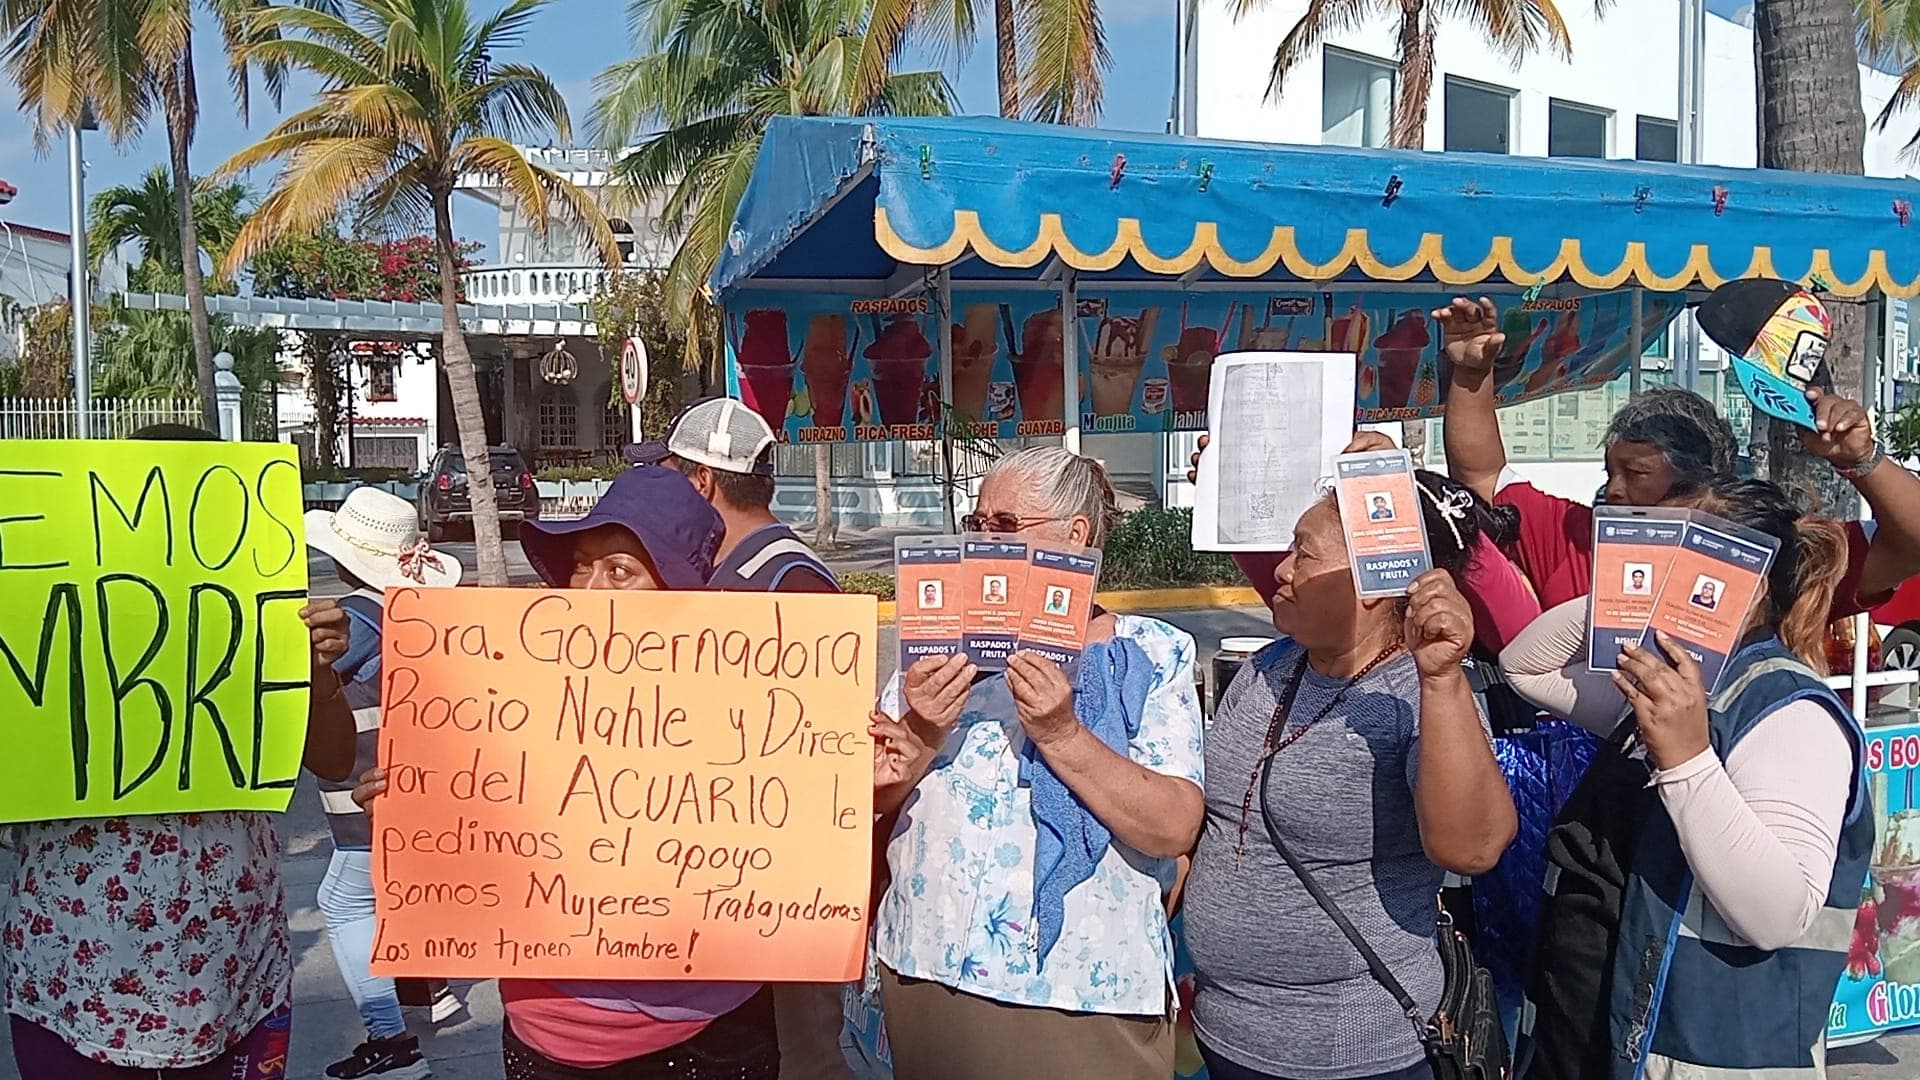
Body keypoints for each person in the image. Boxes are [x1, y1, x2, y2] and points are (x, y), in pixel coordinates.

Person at [353, 465, 780, 1080]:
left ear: (679, 593)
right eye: (582, 564)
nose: (589, 589)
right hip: (545, 1032)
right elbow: (486, 848)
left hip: (705, 1036)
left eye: (622, 571)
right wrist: (414, 812)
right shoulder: (503, 697)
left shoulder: (746, 704)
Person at [5, 424, 359, 1080]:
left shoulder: (266, 620)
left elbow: (336, 761)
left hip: (233, 980)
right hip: (73, 991)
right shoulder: (41, 617)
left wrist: (315, 668)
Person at [1499, 478, 1870, 1080]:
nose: (1649, 569)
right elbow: (1527, 664)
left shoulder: (1789, 711)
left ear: (1744, 586)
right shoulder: (1669, 684)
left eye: (1675, 555)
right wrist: (1620, 602)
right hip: (1582, 1033)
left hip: (1689, 1051)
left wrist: (1688, 762)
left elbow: (1777, 915)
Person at [866, 447, 1205, 1080]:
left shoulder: (1153, 653)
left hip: (1077, 990)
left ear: (1074, 536)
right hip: (924, 965)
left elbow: (1173, 824)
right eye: (978, 524)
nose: (982, 541)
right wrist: (922, 728)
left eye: (1004, 525)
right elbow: (868, 793)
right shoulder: (940, 646)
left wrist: (1062, 733)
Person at [1182, 469, 1518, 1080]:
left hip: (1349, 1051)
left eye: (1303, 554)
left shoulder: (1417, 695)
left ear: (1373, 583)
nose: (1281, 570)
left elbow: (1473, 846)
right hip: (1227, 1034)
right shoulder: (1270, 667)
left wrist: (1442, 678)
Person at [1435, 295, 1920, 619]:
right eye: (1610, 471)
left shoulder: (1774, 554)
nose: (1614, 490)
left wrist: (1861, 459)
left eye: (1636, 472)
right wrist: (1471, 373)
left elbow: (1912, 542)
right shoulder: (1576, 535)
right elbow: (1482, 476)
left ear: (1705, 480)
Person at [628, 396, 847, 1080]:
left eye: (668, 475)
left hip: (778, 904)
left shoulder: (788, 585)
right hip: (734, 901)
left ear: (702, 483)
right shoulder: (734, 573)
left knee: (800, 1059)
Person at [305, 487, 463, 1080]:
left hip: (365, 791)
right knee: (395, 892)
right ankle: (430, 990)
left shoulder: (358, 616)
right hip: (417, 783)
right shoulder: (417, 609)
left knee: (343, 901)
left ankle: (390, 1039)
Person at [628, 397, 837, 593]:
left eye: (666, 475)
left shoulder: (795, 582)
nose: (661, 490)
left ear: (703, 482)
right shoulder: (728, 563)